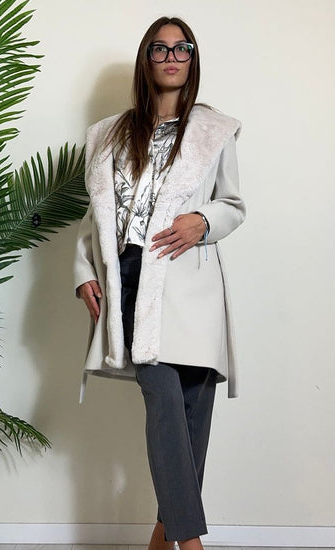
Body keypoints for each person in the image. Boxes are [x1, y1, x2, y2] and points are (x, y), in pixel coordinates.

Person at [74, 16, 245, 550]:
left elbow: (233, 204)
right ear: (145, 59)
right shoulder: (108, 134)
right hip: (131, 280)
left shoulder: (214, 131)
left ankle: (162, 534)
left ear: (192, 60)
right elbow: (97, 215)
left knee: (193, 413)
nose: (172, 57)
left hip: (190, 281)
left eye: (182, 48)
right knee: (165, 399)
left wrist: (203, 221)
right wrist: (84, 273)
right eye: (160, 48)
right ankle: (191, 544)